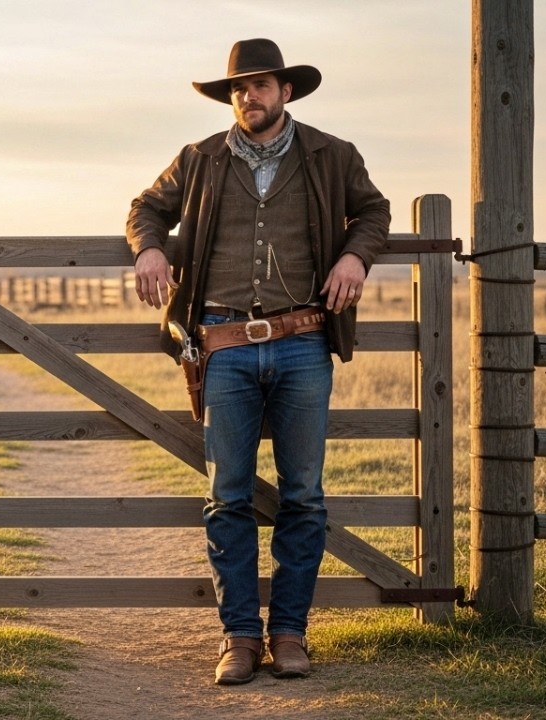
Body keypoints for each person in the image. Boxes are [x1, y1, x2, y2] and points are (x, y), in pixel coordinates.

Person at [125, 39, 390, 685]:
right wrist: (149, 250)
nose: (249, 97)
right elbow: (145, 209)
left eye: (261, 86)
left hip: (303, 339)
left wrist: (355, 257)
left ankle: (290, 634)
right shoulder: (199, 158)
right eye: (239, 89)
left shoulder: (332, 154)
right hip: (223, 343)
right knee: (227, 496)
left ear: (286, 92)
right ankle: (239, 638)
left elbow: (375, 211)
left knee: (302, 495)